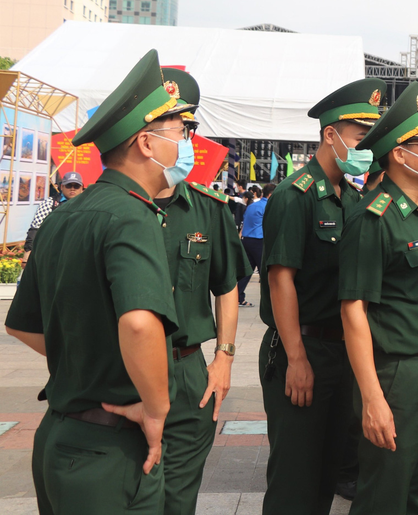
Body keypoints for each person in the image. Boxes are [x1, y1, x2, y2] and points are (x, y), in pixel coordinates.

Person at [5, 49, 189, 514]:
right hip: (110, 450)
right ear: (147, 144)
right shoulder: (133, 216)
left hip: (60, 437)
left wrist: (87, 356)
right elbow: (140, 325)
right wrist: (156, 409)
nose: (184, 142)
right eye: (179, 131)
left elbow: (21, 325)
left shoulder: (66, 217)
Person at [258, 77, 386, 515]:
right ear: (330, 135)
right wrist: (296, 358)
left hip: (340, 351)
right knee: (295, 478)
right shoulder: (296, 196)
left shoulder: (351, 197)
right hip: (303, 347)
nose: (366, 148)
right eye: (359, 137)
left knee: (328, 474)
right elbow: (281, 281)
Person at [338, 82, 418, 515]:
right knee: (384, 497)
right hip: (399, 377)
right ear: (398, 153)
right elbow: (353, 310)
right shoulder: (373, 218)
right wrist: (372, 397)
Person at [153, 68, 250, 515]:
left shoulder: (207, 210)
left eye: (189, 128)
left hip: (189, 368)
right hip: (124, 370)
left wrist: (225, 356)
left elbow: (227, 286)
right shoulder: (108, 211)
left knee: (178, 497)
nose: (187, 139)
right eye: (176, 128)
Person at [23, 171, 83, 257]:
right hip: (52, 252)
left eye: (76, 186)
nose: (72, 189)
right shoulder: (49, 203)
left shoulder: (88, 205)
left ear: (81, 188)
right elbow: (36, 228)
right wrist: (28, 252)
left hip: (77, 252)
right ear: (62, 187)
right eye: (69, 185)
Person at [239, 183, 274, 307]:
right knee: (265, 272)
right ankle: (270, 301)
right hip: (259, 242)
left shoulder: (252, 206)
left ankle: (238, 297)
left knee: (246, 271)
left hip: (246, 240)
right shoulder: (268, 206)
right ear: (270, 195)